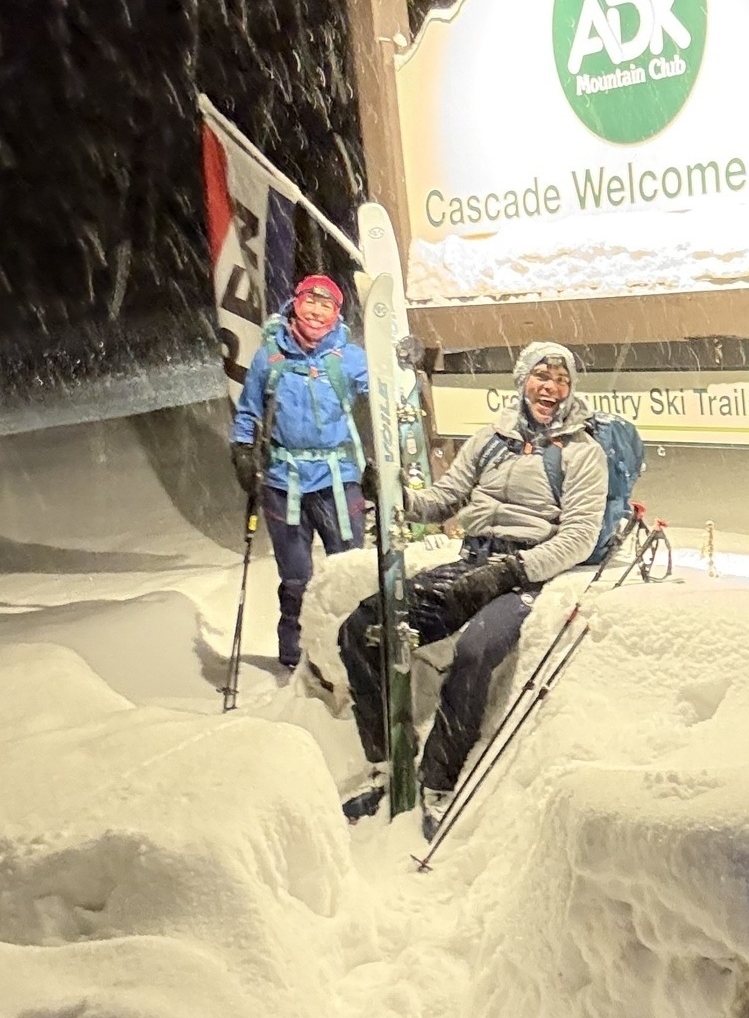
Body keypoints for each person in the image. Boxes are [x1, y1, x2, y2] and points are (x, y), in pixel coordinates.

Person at [338, 340, 607, 836]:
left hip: (528, 573)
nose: (550, 388)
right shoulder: (490, 439)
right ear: (522, 379)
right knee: (361, 627)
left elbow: (578, 537)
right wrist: (397, 495)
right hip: (473, 560)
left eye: (561, 380)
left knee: (476, 649)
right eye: (541, 376)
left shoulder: (582, 452)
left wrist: (513, 572)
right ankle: (385, 763)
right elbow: (444, 500)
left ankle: (438, 779)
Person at [230, 274, 371, 671]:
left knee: (350, 572)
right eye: (310, 301)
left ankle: (352, 653)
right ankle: (294, 660)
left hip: (337, 477)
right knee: (297, 580)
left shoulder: (348, 357)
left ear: (336, 314)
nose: (316, 311)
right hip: (284, 480)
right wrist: (242, 451)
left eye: (326, 305)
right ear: (295, 303)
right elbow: (249, 411)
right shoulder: (270, 356)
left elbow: (386, 396)